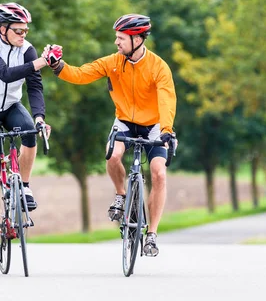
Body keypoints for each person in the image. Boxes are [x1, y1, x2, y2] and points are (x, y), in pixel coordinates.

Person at [44, 14, 176, 257]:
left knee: (159, 173)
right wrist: (57, 66)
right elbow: (82, 74)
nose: (116, 43)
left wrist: (167, 131)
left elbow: (167, 99)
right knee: (113, 157)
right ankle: (121, 194)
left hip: (154, 125)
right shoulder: (113, 62)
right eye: (116, 38)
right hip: (124, 121)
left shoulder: (159, 67)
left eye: (121, 38)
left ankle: (152, 235)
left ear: (137, 39)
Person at [0, 2, 51, 265]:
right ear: (2, 28)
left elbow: (34, 86)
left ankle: (24, 186)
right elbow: (4, 74)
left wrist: (40, 117)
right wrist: (39, 63)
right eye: (18, 30)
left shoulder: (27, 50)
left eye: (26, 31)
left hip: (10, 106)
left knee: (30, 131)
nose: (23, 36)